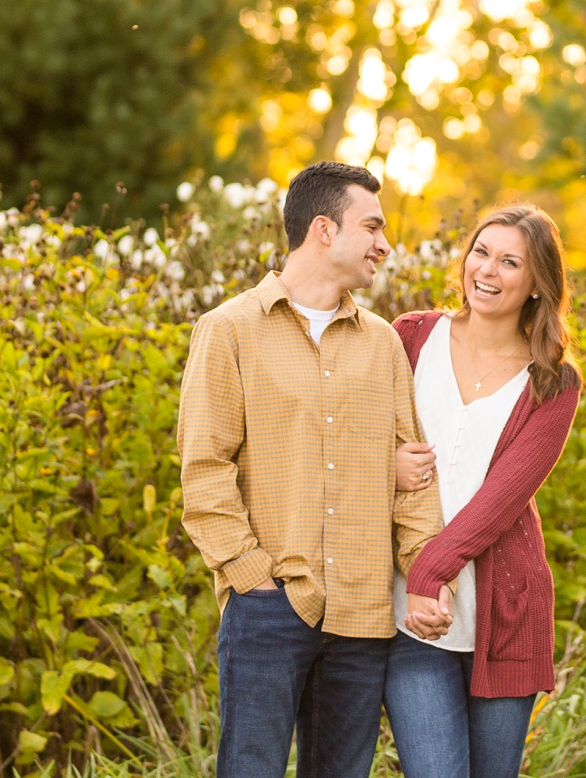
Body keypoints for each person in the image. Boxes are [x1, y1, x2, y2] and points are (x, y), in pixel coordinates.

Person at [177, 161, 453, 778]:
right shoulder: (228, 331)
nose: (385, 245)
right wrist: (251, 578)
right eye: (373, 227)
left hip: (362, 614)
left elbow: (414, 475)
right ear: (324, 229)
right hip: (269, 608)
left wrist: (428, 575)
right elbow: (204, 469)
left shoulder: (382, 343)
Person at [384, 203, 582, 778]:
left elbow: (503, 498)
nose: (487, 271)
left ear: (538, 283)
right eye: (481, 252)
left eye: (509, 261)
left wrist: (431, 569)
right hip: (413, 618)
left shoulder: (552, 380)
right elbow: (351, 435)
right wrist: (383, 463)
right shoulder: (411, 337)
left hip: (505, 615)